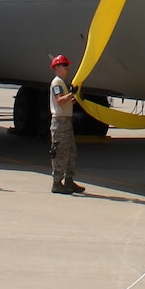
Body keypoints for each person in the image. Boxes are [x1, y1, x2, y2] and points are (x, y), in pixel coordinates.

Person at [48, 54, 83, 195]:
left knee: (70, 152)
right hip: (60, 122)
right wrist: (70, 94)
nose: (67, 68)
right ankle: (57, 183)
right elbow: (60, 101)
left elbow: (66, 101)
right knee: (60, 152)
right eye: (64, 65)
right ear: (57, 68)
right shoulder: (57, 83)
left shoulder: (61, 83)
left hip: (66, 121)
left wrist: (75, 98)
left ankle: (69, 180)